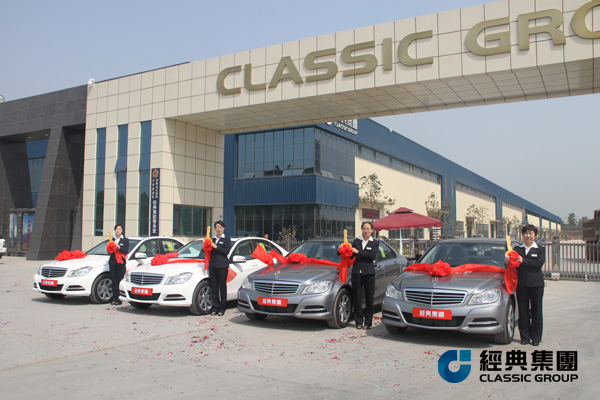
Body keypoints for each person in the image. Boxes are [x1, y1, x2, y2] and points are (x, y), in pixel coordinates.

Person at [508, 224, 546, 346]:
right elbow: (512, 264)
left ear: (535, 236)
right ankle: (524, 337)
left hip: (536, 285)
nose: (528, 236)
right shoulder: (517, 249)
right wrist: (507, 261)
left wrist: (523, 261)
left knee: (536, 311)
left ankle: (536, 338)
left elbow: (538, 264)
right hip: (522, 285)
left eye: (531, 233)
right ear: (523, 235)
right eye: (526, 233)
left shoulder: (540, 249)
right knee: (523, 311)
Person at [349, 221, 379, 330]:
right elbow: (351, 256)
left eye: (368, 229)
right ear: (361, 230)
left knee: (369, 298)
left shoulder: (375, 243)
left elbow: (371, 255)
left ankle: (368, 322)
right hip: (357, 273)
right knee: (357, 298)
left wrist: (358, 252)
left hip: (369, 273)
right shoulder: (356, 241)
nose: (366, 231)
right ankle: (358, 322)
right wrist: (343, 251)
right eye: (364, 229)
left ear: (372, 230)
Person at [208, 220, 232, 316]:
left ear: (223, 228)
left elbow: (226, 251)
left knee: (222, 287)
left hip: (222, 266)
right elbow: (206, 251)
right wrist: (206, 245)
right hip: (213, 266)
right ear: (215, 228)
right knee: (214, 288)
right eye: (217, 227)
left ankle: (222, 308)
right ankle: (215, 307)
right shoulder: (212, 239)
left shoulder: (226, 239)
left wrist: (215, 246)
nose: (219, 229)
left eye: (220, 227)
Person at [109, 224, 129, 305]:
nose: (118, 230)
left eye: (119, 229)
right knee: (114, 280)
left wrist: (118, 247)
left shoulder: (125, 240)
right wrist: (111, 247)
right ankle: (114, 298)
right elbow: (109, 251)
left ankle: (119, 298)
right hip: (113, 262)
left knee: (120, 280)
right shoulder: (112, 239)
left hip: (120, 263)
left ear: (122, 230)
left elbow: (125, 250)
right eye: (117, 229)